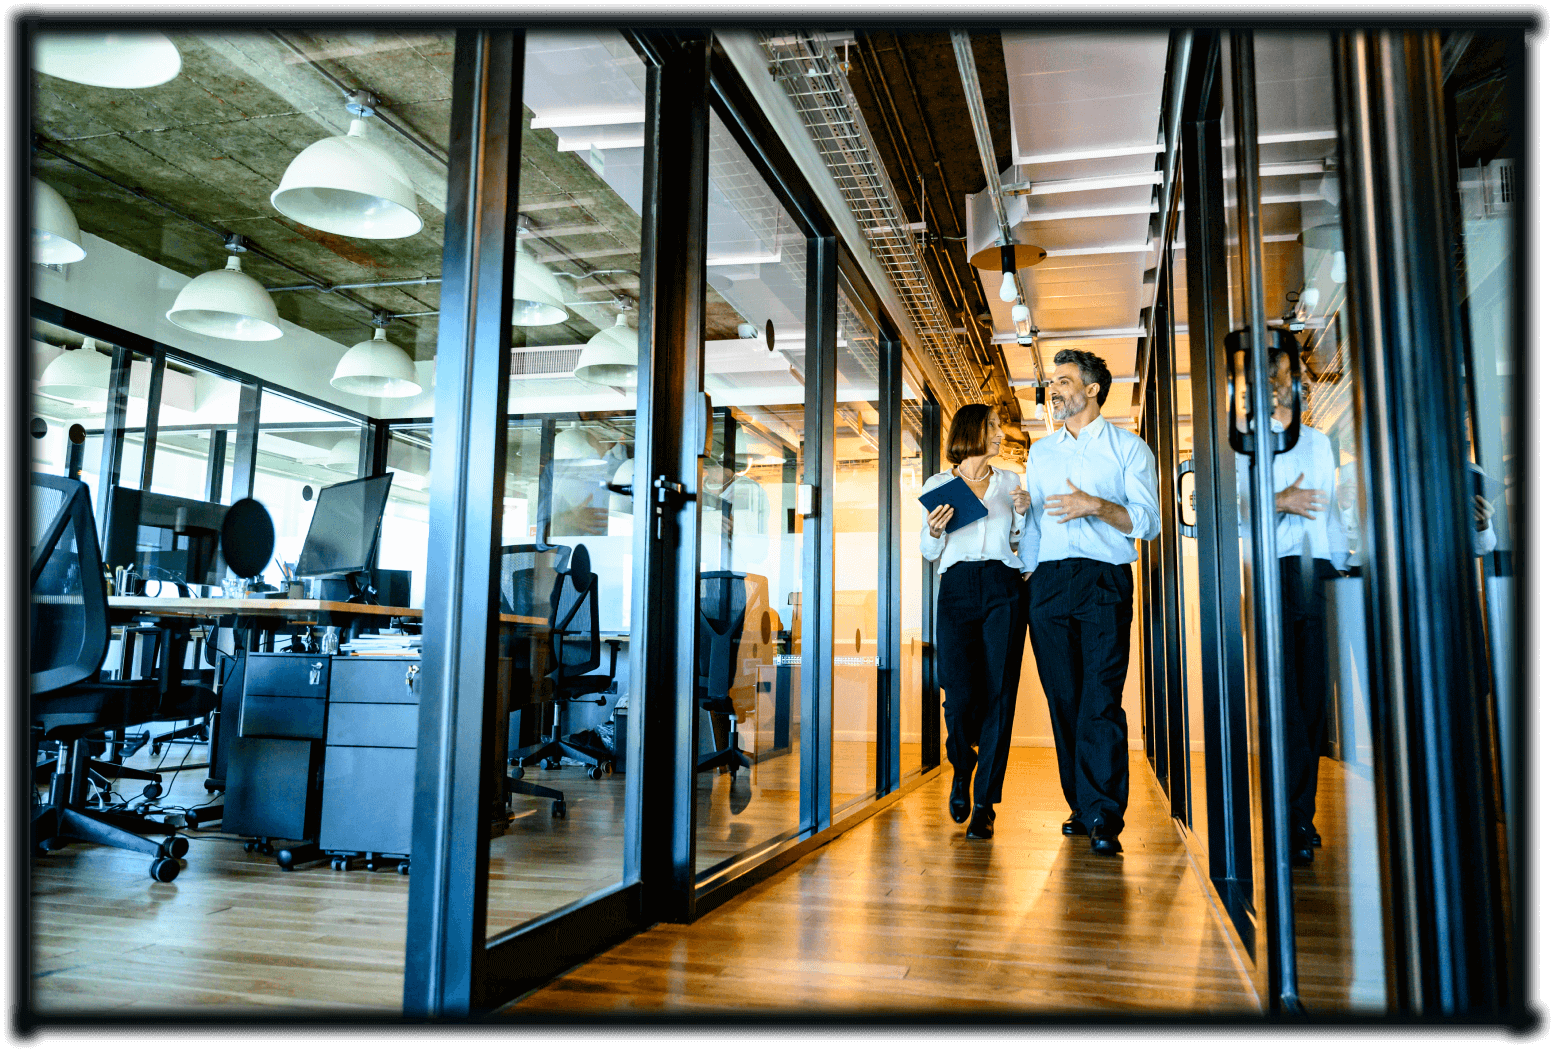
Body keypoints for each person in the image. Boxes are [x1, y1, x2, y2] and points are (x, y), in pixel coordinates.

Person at [1019, 348, 1160, 856]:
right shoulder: (1041, 453)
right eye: (1051, 383)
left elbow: (1148, 521)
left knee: (1099, 698)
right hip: (1050, 583)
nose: (1053, 389)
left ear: (1092, 388)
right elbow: (1033, 527)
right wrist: (1030, 576)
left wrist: (1096, 506)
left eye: (1063, 380)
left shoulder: (1129, 448)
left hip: (1104, 580)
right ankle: (1080, 804)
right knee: (1065, 700)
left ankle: (1104, 813)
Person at [1232, 330, 1347, 866]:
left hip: (1319, 574)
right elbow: (1231, 512)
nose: (1280, 385)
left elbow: (1333, 517)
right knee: (1283, 705)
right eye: (1270, 377)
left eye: (1286, 376)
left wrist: (1345, 574)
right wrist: (1279, 499)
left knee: (1313, 702)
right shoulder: (1242, 443)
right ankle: (1293, 817)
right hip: (1273, 575)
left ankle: (1302, 810)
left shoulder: (1321, 442)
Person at [920, 403, 1031, 840]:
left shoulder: (1010, 483)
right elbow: (930, 553)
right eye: (993, 426)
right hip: (958, 587)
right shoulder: (939, 484)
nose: (1001, 433)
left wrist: (1022, 512)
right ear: (972, 431)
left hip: (1004, 586)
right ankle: (962, 768)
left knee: (1000, 693)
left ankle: (985, 802)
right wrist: (933, 530)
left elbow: (1019, 543)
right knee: (960, 693)